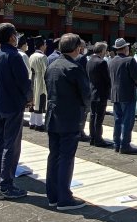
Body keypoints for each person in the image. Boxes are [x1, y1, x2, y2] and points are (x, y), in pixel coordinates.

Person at [45, 33, 91, 211]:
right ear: (76, 48)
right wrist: (85, 109)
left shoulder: (53, 65)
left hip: (53, 115)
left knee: (54, 156)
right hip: (70, 117)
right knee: (66, 157)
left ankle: (53, 195)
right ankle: (65, 197)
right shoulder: (74, 67)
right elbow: (86, 94)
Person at [0, 23, 32, 200]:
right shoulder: (14, 56)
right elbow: (24, 82)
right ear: (12, 37)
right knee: (11, 145)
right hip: (13, 105)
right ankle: (6, 185)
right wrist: (29, 98)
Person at [109, 38, 137, 154]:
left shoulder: (112, 61)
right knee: (127, 121)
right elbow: (136, 78)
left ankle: (117, 143)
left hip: (115, 94)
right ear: (125, 48)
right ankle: (125, 144)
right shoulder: (129, 60)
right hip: (127, 93)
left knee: (118, 120)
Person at [86, 41, 111, 147]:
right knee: (99, 117)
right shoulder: (102, 62)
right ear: (102, 51)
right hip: (101, 92)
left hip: (92, 91)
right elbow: (107, 79)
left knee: (92, 116)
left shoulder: (89, 61)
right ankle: (98, 139)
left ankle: (92, 137)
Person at [29, 36, 48, 131]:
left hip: (32, 79)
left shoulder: (31, 55)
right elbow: (46, 71)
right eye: (45, 44)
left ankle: (32, 122)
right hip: (40, 79)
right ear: (42, 46)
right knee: (40, 100)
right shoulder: (43, 57)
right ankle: (39, 124)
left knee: (33, 100)